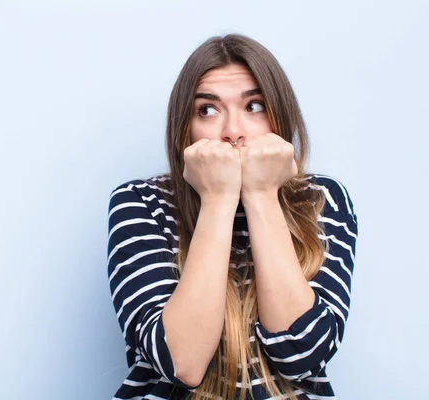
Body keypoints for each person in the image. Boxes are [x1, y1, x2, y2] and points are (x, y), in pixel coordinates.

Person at [106, 33, 358, 400]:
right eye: (207, 110)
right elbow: (182, 363)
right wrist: (219, 199)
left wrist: (260, 193)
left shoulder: (322, 200)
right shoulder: (140, 203)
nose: (233, 132)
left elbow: (302, 356)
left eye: (254, 106)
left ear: (280, 118)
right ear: (185, 130)